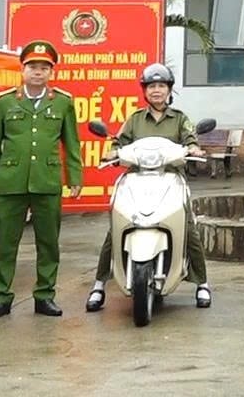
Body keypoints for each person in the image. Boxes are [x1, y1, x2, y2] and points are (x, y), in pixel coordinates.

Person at [87, 63, 210, 312]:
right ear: (145, 91)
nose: (156, 91)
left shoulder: (180, 119)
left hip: (171, 179)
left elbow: (190, 140)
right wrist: (111, 153)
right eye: (152, 86)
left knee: (189, 228)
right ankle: (99, 285)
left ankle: (202, 283)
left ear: (169, 90)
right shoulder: (134, 120)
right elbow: (118, 143)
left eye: (161, 86)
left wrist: (194, 149)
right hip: (137, 178)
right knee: (116, 227)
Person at [0, 40, 82, 320]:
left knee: (48, 242)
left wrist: (74, 177)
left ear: (51, 72)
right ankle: (1, 298)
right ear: (22, 70)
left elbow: (71, 143)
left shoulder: (62, 102)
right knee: (5, 244)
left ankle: (45, 296)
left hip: (46, 183)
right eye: (33, 67)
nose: (38, 72)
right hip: (10, 182)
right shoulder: (5, 102)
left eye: (44, 68)